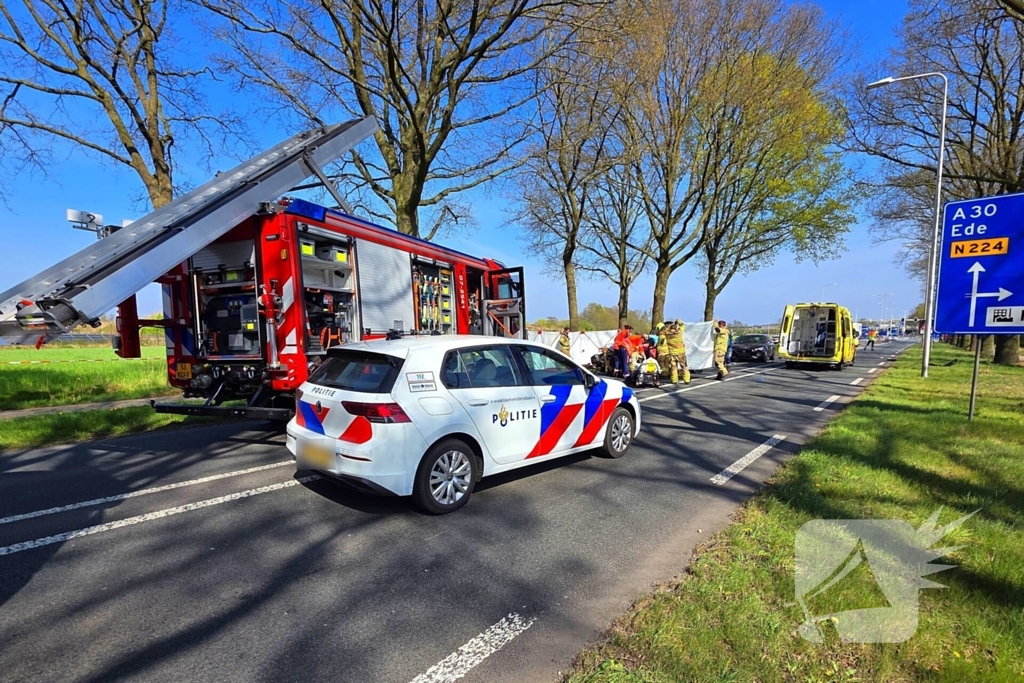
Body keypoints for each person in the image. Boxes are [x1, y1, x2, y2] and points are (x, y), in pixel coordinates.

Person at [664, 319, 690, 384]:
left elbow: (666, 329)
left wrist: (670, 325)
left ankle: (674, 380)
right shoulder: (679, 333)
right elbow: (682, 325)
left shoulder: (667, 334)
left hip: (672, 354)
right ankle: (686, 380)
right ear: (676, 328)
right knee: (684, 366)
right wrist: (677, 321)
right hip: (681, 353)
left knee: (673, 367)